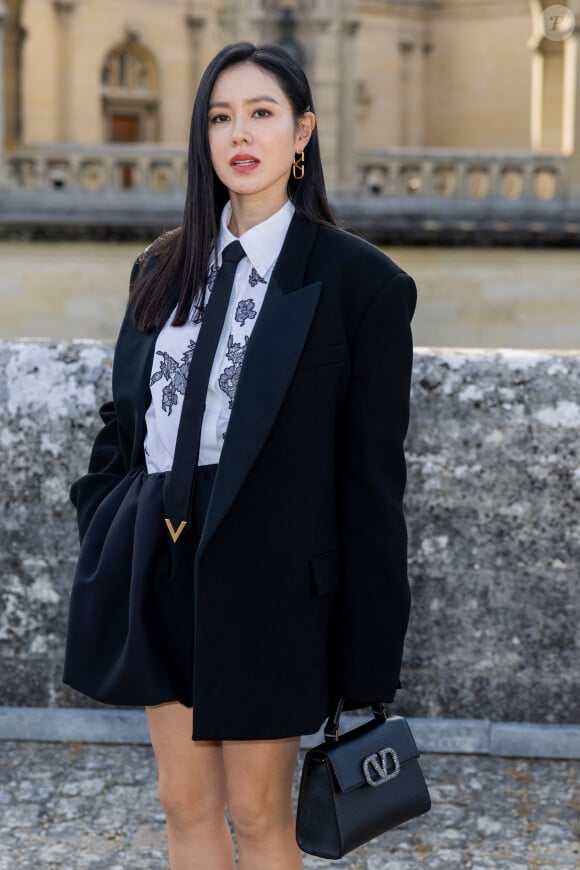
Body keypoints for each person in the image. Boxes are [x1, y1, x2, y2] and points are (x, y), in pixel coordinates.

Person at [63, 42, 417, 870]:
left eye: (262, 113)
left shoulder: (361, 284)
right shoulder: (161, 267)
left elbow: (371, 482)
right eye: (220, 116)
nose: (239, 133)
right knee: (183, 804)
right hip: (156, 564)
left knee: (259, 817)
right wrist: (109, 524)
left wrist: (369, 654)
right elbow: (126, 421)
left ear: (303, 133)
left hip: (270, 576)